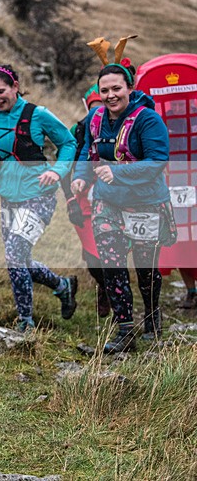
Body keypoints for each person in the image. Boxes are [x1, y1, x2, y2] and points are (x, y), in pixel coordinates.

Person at [72, 38, 176, 352]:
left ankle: (153, 320)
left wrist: (115, 171)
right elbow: (87, 154)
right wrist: (80, 178)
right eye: (104, 90)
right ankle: (125, 332)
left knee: (146, 269)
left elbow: (157, 161)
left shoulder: (147, 120)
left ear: (128, 88)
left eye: (116, 88)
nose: (110, 95)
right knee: (112, 265)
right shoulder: (95, 119)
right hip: (108, 202)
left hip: (145, 203)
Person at [0, 64, 78, 333]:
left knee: (15, 255)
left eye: (1, 91)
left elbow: (68, 143)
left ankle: (25, 323)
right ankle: (63, 286)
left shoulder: (38, 115)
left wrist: (58, 172)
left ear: (15, 86)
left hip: (39, 195)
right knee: (20, 260)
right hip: (8, 197)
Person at [61, 84, 111, 318]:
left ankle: (116, 292)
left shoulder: (123, 127)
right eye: (95, 107)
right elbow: (65, 167)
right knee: (92, 256)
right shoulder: (78, 130)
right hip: (83, 197)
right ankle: (105, 286)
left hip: (114, 194)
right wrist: (71, 199)